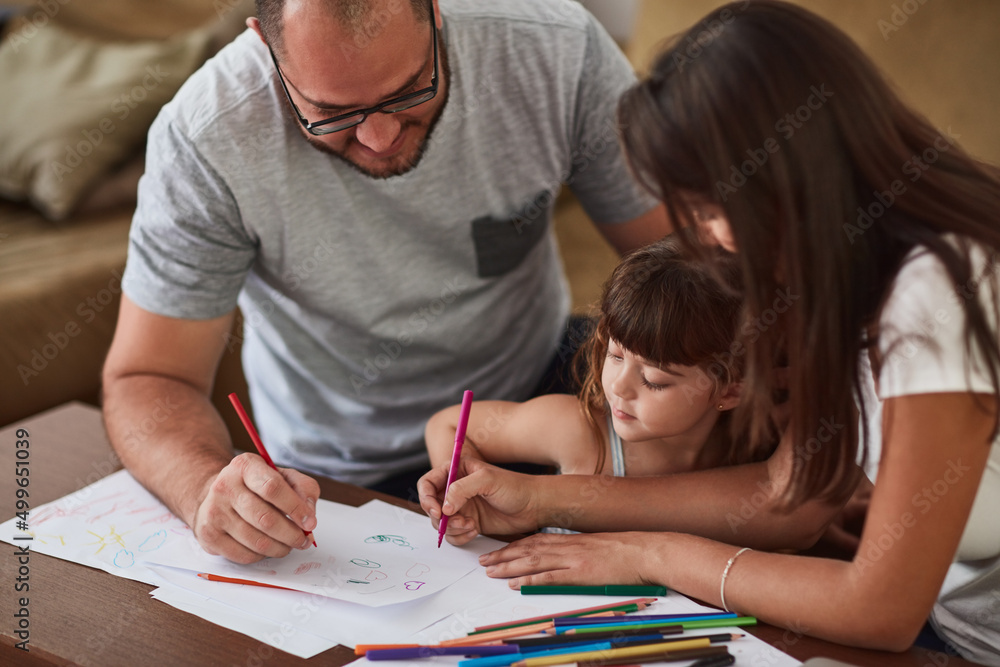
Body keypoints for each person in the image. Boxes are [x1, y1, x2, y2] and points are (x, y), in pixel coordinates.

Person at [427, 1, 1000, 662]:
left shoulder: (940, 290)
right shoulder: (839, 279)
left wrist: (652, 554)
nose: (706, 239)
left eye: (707, 207)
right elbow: (782, 493)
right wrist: (537, 498)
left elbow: (879, 607)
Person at [101, 0, 667, 565]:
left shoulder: (553, 48)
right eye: (331, 112)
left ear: (437, 12)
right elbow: (149, 375)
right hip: (342, 474)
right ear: (265, 46)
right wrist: (203, 489)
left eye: (408, 92)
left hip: (545, 382)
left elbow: (677, 261)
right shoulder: (205, 138)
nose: (379, 136)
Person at [421, 235, 765, 537]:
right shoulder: (577, 431)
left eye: (654, 380)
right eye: (615, 355)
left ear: (730, 391)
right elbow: (448, 423)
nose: (619, 386)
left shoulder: (754, 453)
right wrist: (461, 489)